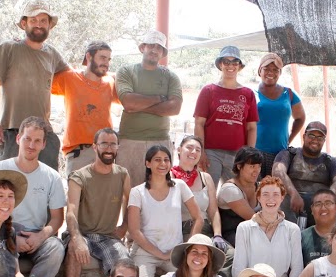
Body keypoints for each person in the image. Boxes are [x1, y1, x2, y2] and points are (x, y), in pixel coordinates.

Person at [0, 116, 66, 277]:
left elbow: (58, 219)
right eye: (27, 139)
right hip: (3, 231)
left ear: (44, 145)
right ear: (18, 139)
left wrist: (41, 236)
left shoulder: (52, 177)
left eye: (37, 141)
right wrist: (11, 236)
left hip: (35, 235)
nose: (31, 145)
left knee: (56, 248)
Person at [0, 0, 67, 169]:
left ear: (50, 25)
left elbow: (74, 79)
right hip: (11, 131)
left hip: (43, 135)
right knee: (5, 186)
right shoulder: (8, 49)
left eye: (43, 20)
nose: (39, 25)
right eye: (33, 20)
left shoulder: (52, 54)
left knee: (45, 187)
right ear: (24, 24)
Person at [63, 128, 130, 277]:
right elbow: (71, 211)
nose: (108, 148)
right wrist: (76, 238)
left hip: (108, 237)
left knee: (125, 264)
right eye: (104, 144)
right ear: (94, 147)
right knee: (73, 249)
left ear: (117, 147)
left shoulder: (122, 174)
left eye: (112, 144)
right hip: (83, 233)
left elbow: (130, 203)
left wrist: (124, 227)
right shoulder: (79, 176)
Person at [115, 30, 183, 189]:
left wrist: (139, 105)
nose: (154, 50)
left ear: (162, 53)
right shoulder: (126, 71)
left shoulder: (170, 76)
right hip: (129, 141)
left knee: (159, 191)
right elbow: (128, 103)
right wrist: (159, 99)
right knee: (128, 194)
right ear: (142, 48)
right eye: (151, 45)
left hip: (160, 140)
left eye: (159, 47)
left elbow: (175, 108)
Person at [127, 145, 202, 277]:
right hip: (145, 252)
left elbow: (198, 218)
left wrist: (187, 247)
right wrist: (160, 254)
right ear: (147, 163)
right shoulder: (137, 192)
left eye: (166, 160)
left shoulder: (179, 186)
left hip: (174, 253)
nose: (162, 164)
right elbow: (134, 231)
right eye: (157, 160)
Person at [51, 40, 119, 175]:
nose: (106, 63)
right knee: (77, 196)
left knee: (104, 196)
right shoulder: (70, 77)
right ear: (89, 56)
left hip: (105, 152)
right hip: (78, 153)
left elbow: (130, 100)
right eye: (102, 58)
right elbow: (41, 81)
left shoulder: (111, 82)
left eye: (109, 59)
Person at [194, 46, 259, 186]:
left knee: (234, 195)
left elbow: (251, 127)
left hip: (237, 155)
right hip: (211, 153)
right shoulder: (208, 91)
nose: (230, 66)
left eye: (235, 62)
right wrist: (201, 151)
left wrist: (248, 155)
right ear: (220, 65)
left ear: (240, 66)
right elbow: (199, 123)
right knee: (207, 192)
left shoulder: (248, 94)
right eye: (226, 62)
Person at [232, 175, 303, 277]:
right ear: (258, 197)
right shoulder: (244, 228)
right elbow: (238, 267)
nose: (271, 199)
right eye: (265, 194)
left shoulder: (293, 230)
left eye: (276, 194)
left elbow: (297, 268)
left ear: (282, 197)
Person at [272, 121, 336, 225]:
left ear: (324, 141)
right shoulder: (289, 154)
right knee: (280, 196)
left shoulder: (330, 161)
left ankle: (330, 235)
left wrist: (327, 196)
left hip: (320, 203)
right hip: (293, 202)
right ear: (304, 136)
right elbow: (277, 172)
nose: (315, 140)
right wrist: (293, 193)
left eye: (320, 138)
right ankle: (289, 234)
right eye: (311, 135)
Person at [255, 52, 305, 178]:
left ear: (280, 73)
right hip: (255, 152)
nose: (270, 73)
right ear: (259, 71)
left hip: (280, 153)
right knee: (255, 189)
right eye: (266, 69)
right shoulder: (251, 93)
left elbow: (300, 118)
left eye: (275, 69)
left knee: (276, 191)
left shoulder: (288, 94)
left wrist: (289, 139)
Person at [171, 135, 223, 244]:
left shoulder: (206, 178)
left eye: (198, 150)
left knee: (230, 256)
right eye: (189, 148)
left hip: (205, 230)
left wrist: (218, 235)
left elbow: (213, 211)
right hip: (178, 230)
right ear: (179, 150)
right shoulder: (168, 176)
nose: (193, 152)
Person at [217, 146, 262, 247]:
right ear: (239, 166)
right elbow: (254, 218)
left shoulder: (260, 187)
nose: (256, 170)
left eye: (258, 166)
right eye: (252, 166)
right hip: (231, 236)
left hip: (255, 233)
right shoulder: (230, 189)